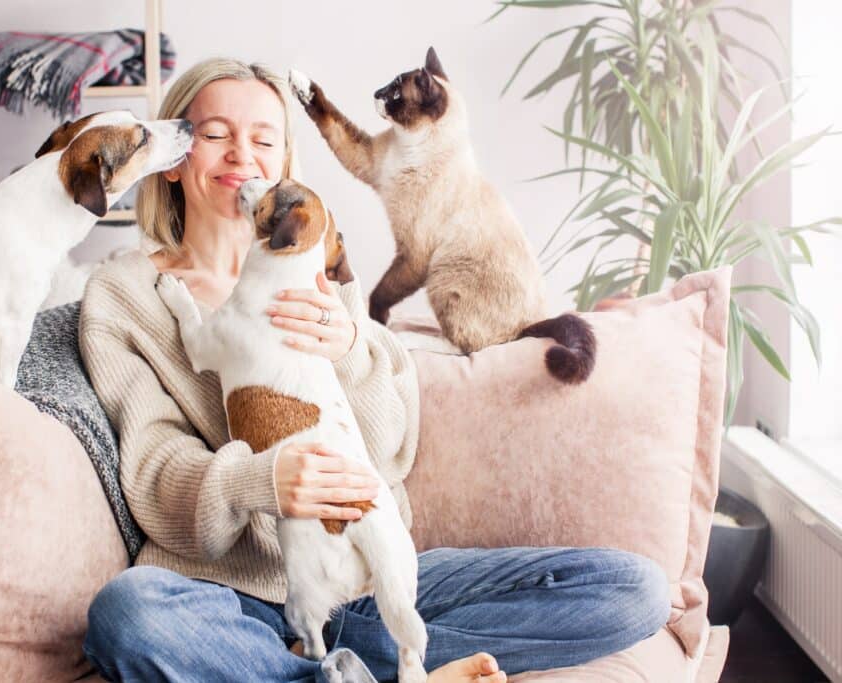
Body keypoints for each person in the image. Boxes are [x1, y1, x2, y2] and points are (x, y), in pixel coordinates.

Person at [78, 57, 670, 683]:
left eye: (264, 139)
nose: (240, 157)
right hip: (231, 600)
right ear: (175, 156)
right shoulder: (127, 294)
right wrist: (261, 481)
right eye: (215, 135)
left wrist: (350, 346)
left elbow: (390, 447)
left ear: (283, 164)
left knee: (633, 588)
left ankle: (338, 669)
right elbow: (151, 478)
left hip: (365, 580)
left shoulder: (322, 273)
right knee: (125, 615)